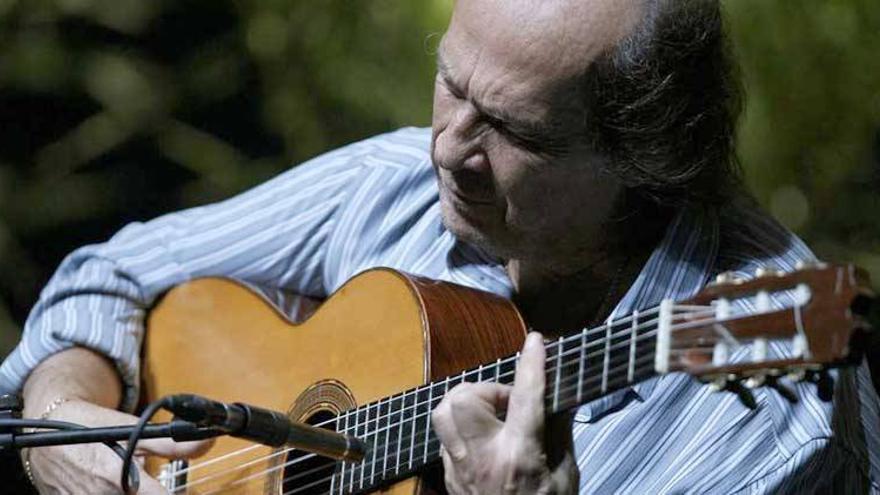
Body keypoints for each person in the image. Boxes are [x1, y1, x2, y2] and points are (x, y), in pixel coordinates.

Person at [2, 0, 879, 493]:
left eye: (508, 128)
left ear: (646, 159)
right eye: (448, 84)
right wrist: (66, 428)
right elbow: (109, 274)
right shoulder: (397, 180)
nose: (447, 147)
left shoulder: (772, 439)